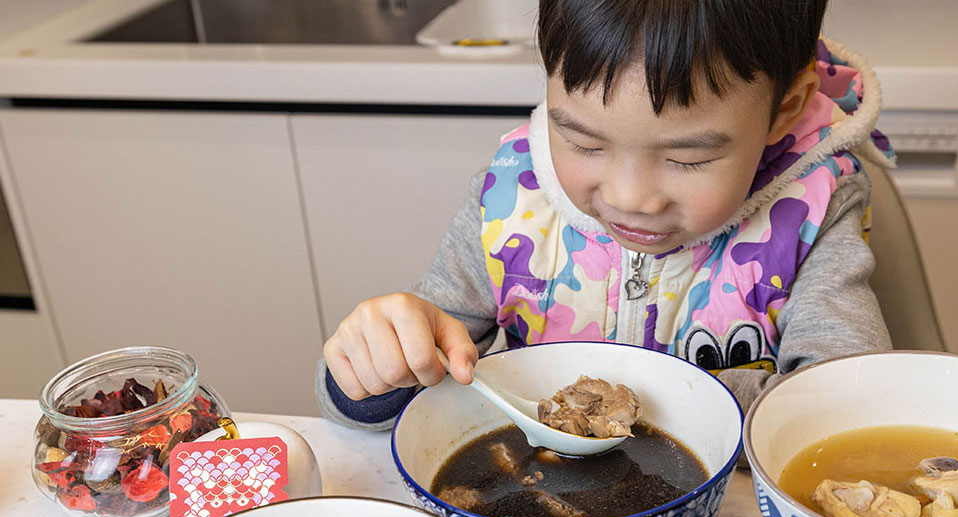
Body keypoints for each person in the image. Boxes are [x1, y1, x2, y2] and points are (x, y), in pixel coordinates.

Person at [318, 0, 895, 430]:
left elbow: (846, 408)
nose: (630, 198)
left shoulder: (814, 216)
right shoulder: (512, 201)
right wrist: (379, 366)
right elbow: (386, 403)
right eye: (586, 145)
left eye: (687, 157)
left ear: (783, 109)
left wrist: (655, 398)